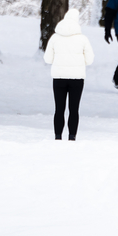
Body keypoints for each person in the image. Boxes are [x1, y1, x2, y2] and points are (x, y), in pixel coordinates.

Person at [44, 9, 95, 141]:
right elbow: (89, 60)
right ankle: (72, 137)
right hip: (77, 79)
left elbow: (47, 59)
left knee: (59, 109)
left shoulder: (54, 38)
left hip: (59, 78)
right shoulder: (83, 39)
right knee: (74, 109)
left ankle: (57, 136)